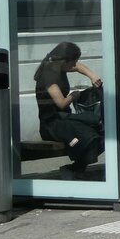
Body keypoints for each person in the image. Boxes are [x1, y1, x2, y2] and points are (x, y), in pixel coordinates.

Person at [34, 42, 104, 176]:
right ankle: (76, 169)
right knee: (87, 135)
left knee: (99, 127)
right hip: (52, 124)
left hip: (64, 119)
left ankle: (76, 169)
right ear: (63, 61)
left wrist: (92, 76)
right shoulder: (49, 76)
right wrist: (73, 95)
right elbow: (61, 103)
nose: (74, 65)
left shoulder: (58, 65)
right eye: (72, 62)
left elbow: (78, 66)